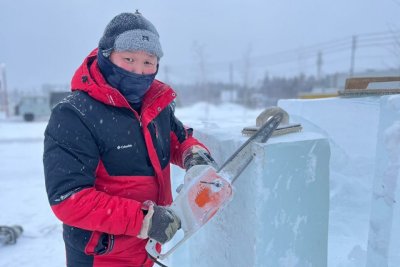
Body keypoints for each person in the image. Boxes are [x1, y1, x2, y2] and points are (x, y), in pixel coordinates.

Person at [43, 10, 217, 267]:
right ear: (105, 55)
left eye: (149, 62)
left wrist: (194, 154)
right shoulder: (75, 114)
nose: (139, 71)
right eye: (128, 59)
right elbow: (69, 199)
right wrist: (145, 220)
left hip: (146, 248)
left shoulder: (155, 105)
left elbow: (177, 138)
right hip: (101, 255)